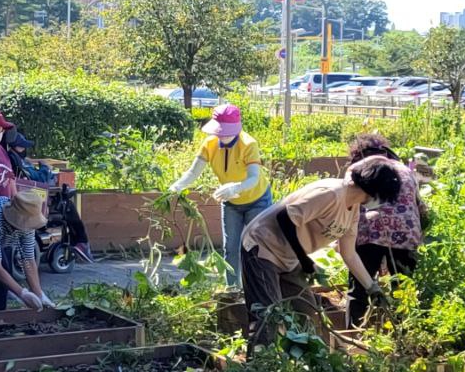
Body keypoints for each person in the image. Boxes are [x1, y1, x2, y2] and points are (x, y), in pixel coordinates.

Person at [240, 155, 402, 348]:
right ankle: (255, 371)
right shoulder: (331, 194)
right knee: (267, 317)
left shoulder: (353, 210)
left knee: (307, 314)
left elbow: (348, 253)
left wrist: (372, 288)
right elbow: (285, 216)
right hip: (262, 246)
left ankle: (313, 369)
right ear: (375, 190)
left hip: (290, 257)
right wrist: (305, 260)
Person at [169, 103, 272, 287]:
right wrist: (178, 185)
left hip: (257, 201)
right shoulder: (209, 144)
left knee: (257, 247)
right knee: (230, 248)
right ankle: (232, 289)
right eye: (220, 130)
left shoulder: (248, 144)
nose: (223, 134)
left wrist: (235, 188)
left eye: (228, 131)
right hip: (231, 203)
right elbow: (193, 172)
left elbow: (254, 178)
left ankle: (260, 288)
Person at [343, 133, 424, 326]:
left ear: (358, 154)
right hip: (407, 232)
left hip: (369, 232)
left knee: (359, 288)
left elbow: (346, 204)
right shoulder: (405, 170)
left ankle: (353, 333)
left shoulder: (356, 169)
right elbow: (420, 207)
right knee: (403, 289)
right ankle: (403, 331)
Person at [4, 127, 94, 263]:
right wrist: (45, 167)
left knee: (66, 202)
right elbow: (37, 178)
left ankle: (80, 242)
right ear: (17, 147)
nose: (25, 150)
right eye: (23, 147)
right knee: (67, 205)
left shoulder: (13, 158)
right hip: (31, 198)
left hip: (26, 195)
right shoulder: (16, 160)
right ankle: (81, 241)